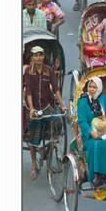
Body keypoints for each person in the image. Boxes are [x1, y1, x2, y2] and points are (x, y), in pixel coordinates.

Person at [23, 46, 67, 180]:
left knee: (57, 122)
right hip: (34, 107)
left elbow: (56, 89)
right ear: (32, 58)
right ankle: (34, 166)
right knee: (33, 138)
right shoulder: (28, 72)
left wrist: (63, 105)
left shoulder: (49, 70)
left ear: (43, 57)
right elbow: (28, 91)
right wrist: (31, 109)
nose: (38, 58)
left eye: (40, 55)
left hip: (47, 105)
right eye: (35, 55)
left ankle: (51, 145)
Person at [77, 77, 106, 186]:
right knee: (96, 145)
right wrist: (90, 132)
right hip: (89, 134)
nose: (92, 89)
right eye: (90, 87)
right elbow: (82, 121)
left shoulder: (104, 99)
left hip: (104, 131)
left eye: (95, 87)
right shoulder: (83, 101)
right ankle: (97, 175)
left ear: (99, 88)